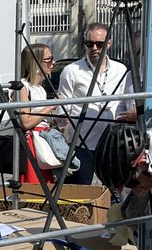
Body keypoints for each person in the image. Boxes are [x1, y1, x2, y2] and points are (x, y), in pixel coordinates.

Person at [56, 22, 131, 184]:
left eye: (100, 44)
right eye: (90, 44)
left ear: (109, 43)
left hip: (111, 143)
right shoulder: (72, 71)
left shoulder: (121, 70)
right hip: (81, 142)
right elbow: (63, 107)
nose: (94, 48)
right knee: (79, 190)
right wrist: (64, 135)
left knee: (114, 190)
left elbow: (126, 103)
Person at [16, 44, 61, 186]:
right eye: (49, 59)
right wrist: (49, 107)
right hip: (32, 144)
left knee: (47, 183)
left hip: (42, 140)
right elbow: (26, 122)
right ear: (36, 62)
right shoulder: (23, 87)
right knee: (35, 184)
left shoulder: (40, 88)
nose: (53, 63)